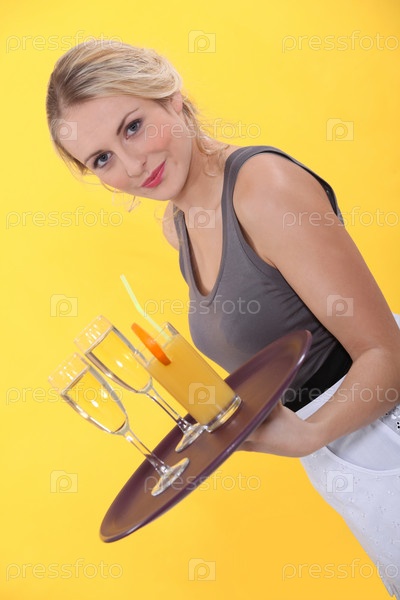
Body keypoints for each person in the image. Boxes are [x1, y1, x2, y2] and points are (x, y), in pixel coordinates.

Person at [46, 40, 400, 597]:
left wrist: (308, 435)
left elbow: (387, 354)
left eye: (133, 127)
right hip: (344, 457)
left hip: (382, 431)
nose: (132, 165)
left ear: (171, 97)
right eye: (102, 159)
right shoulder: (178, 227)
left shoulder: (265, 189)